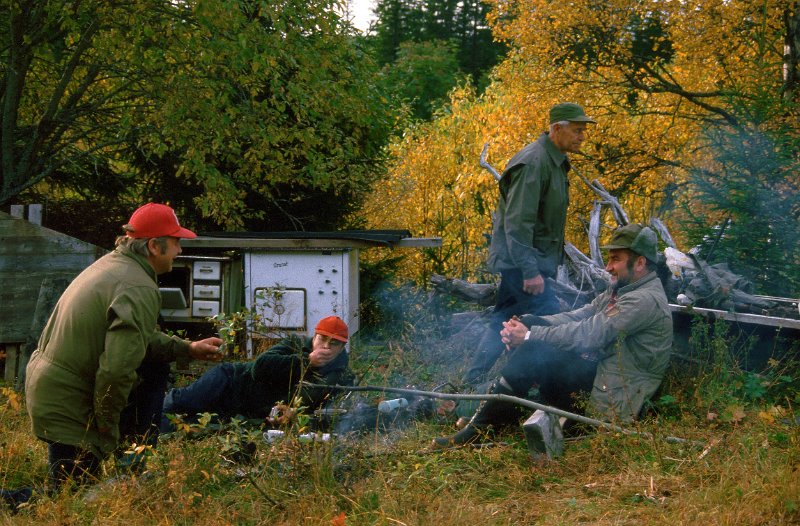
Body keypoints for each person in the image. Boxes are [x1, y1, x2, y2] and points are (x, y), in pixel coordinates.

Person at [3, 203, 224, 509]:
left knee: (74, 492)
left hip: (55, 389)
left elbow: (136, 340)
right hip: (68, 402)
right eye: (176, 242)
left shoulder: (117, 267)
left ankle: (129, 473)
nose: (180, 250)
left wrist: (187, 348)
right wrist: (107, 428)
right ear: (154, 246)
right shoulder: (137, 286)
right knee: (71, 500)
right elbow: (117, 371)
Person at [435, 224, 673, 448]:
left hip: (612, 402)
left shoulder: (643, 300)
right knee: (533, 331)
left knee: (534, 348)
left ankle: (480, 430)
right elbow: (581, 315)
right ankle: (492, 420)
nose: (608, 267)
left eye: (616, 259)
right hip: (600, 379)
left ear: (640, 263)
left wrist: (530, 336)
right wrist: (528, 323)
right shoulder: (625, 289)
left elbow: (591, 333)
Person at [463, 102, 597, 387]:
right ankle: (548, 385)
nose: (582, 136)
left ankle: (474, 381)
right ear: (556, 129)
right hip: (523, 262)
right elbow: (518, 223)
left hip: (530, 260)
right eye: (577, 130)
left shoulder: (554, 161)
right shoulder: (534, 162)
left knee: (504, 318)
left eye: (583, 131)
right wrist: (529, 271)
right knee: (547, 320)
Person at [160, 316, 353, 432]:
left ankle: (148, 430)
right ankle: (140, 413)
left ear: (343, 346)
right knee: (181, 402)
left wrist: (292, 412)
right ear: (315, 335)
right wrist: (306, 361)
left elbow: (326, 410)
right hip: (230, 380)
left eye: (333, 343)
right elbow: (260, 366)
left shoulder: (341, 374)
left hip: (245, 409)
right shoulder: (295, 343)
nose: (326, 347)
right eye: (322, 339)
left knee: (190, 424)